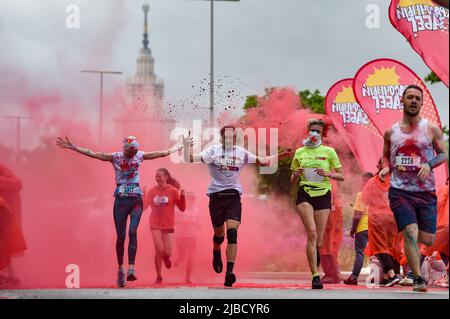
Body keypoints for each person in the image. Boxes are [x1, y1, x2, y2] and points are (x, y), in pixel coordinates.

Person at [56, 135, 189, 288]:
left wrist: (178, 147)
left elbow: (162, 153)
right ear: (125, 149)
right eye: (131, 151)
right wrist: (74, 147)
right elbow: (94, 154)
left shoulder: (140, 156)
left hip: (136, 200)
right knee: (121, 236)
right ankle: (120, 269)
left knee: (133, 231)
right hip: (120, 201)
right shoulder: (115, 157)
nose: (134, 154)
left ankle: (131, 268)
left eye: (135, 151)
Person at [183, 125, 292, 287]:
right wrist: (186, 146)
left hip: (233, 196)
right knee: (219, 235)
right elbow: (189, 158)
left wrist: (282, 154)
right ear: (221, 138)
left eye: (232, 136)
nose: (229, 139)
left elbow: (264, 161)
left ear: (235, 138)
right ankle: (216, 250)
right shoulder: (212, 151)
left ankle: (229, 272)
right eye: (225, 136)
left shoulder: (241, 153)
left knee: (232, 233)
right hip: (216, 197)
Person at [379, 84, 448, 292]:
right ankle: (417, 277)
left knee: (427, 238)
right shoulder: (391, 132)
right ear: (402, 100)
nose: (413, 101)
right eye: (409, 97)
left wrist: (429, 164)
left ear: (422, 102)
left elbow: (443, 154)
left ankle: (413, 249)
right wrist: (385, 167)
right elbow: (385, 156)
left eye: (417, 98)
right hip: (400, 191)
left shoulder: (431, 129)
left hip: (425, 192)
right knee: (410, 231)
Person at [290, 119, 345, 289]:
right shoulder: (300, 152)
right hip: (304, 192)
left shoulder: (329, 152)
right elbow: (292, 179)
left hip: (323, 194)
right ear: (308, 131)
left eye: (318, 132)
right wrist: (296, 175)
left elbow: (341, 175)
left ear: (322, 134)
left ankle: (316, 253)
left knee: (319, 241)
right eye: (312, 130)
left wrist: (328, 173)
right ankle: (315, 275)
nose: (314, 134)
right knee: (311, 233)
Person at [143, 168, 186, 284]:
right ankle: (159, 276)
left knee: (167, 252)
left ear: (166, 177)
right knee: (159, 249)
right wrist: (142, 195)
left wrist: (183, 197)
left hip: (168, 224)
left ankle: (166, 258)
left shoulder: (172, 190)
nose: (158, 178)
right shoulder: (152, 191)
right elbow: (143, 208)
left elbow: (182, 208)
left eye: (160, 176)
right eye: (156, 176)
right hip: (155, 224)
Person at [361, 172, 403, 287]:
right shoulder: (397, 179)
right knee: (392, 246)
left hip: (377, 218)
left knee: (380, 246)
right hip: (393, 217)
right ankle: (393, 275)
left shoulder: (373, 181)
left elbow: (364, 199)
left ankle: (391, 275)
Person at [343, 172, 373, 285]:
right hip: (374, 227)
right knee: (378, 253)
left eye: (363, 180)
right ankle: (386, 275)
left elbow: (357, 214)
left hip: (363, 227)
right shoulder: (377, 194)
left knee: (359, 253)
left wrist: (352, 229)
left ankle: (354, 277)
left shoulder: (362, 195)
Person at [0, 163, 27, 287]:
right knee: (5, 246)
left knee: (5, 245)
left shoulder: (3, 170)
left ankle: (7, 276)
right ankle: (9, 276)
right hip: (6, 214)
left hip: (6, 215)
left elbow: (17, 184)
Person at [174, 192, 201, 284]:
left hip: (192, 236)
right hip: (180, 236)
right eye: (189, 199)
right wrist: (182, 223)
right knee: (182, 256)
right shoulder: (178, 209)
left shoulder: (196, 210)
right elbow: (173, 222)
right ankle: (178, 260)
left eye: (192, 199)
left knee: (190, 257)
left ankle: (187, 277)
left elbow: (198, 222)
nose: (190, 201)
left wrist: (197, 225)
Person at [320, 187, 343, 284]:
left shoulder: (327, 185)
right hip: (334, 225)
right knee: (331, 250)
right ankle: (335, 274)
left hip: (330, 226)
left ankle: (331, 275)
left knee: (326, 250)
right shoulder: (332, 185)